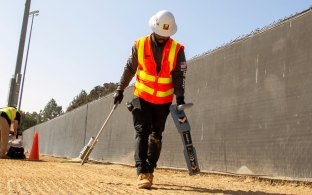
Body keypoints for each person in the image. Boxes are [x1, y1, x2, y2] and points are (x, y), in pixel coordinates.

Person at [113, 10, 187, 189]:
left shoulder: (177, 50)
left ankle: (150, 170)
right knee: (142, 131)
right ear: (154, 28)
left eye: (166, 34)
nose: (162, 37)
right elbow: (130, 68)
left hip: (163, 101)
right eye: (160, 33)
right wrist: (120, 89)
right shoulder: (140, 44)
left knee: (156, 135)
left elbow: (179, 75)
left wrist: (180, 98)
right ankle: (141, 172)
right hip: (142, 97)